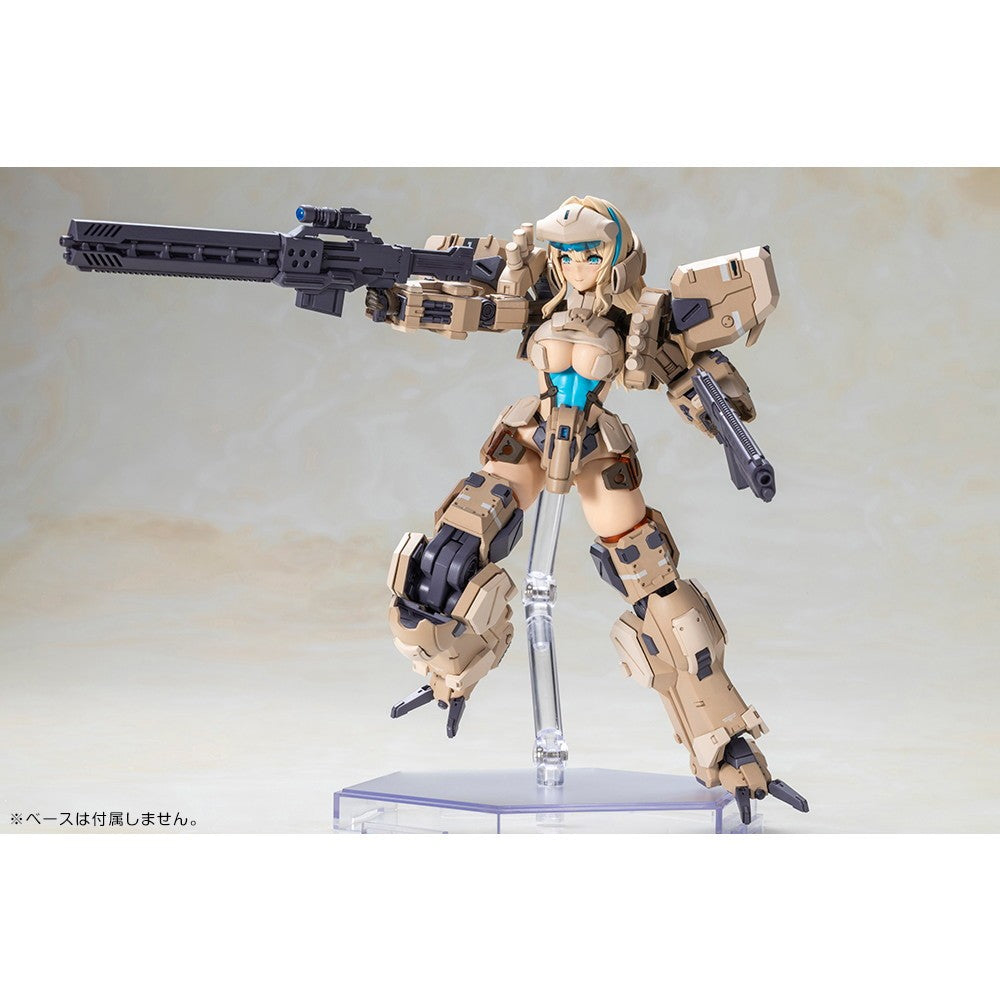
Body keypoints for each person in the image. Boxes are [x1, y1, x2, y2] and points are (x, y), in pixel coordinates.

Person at [376, 195, 806, 818]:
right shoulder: (536, 296)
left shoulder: (644, 317)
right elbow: (466, 305)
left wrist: (727, 430)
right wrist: (396, 302)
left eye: (590, 253)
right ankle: (449, 675)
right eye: (566, 253)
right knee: (446, 557)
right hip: (531, 436)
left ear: (617, 255)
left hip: (598, 450)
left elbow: (691, 377)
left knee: (657, 589)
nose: (576, 265)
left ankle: (726, 746)